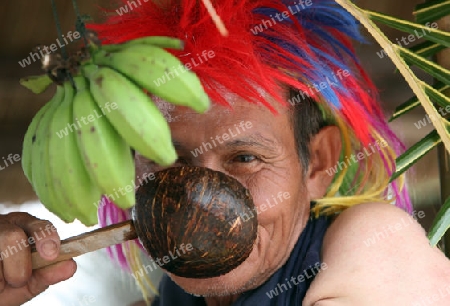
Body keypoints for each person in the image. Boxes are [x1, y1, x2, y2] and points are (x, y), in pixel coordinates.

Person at [2, 0, 450, 305]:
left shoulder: (372, 243)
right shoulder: (176, 295)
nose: (197, 198)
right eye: (167, 160)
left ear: (317, 163)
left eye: (244, 158)